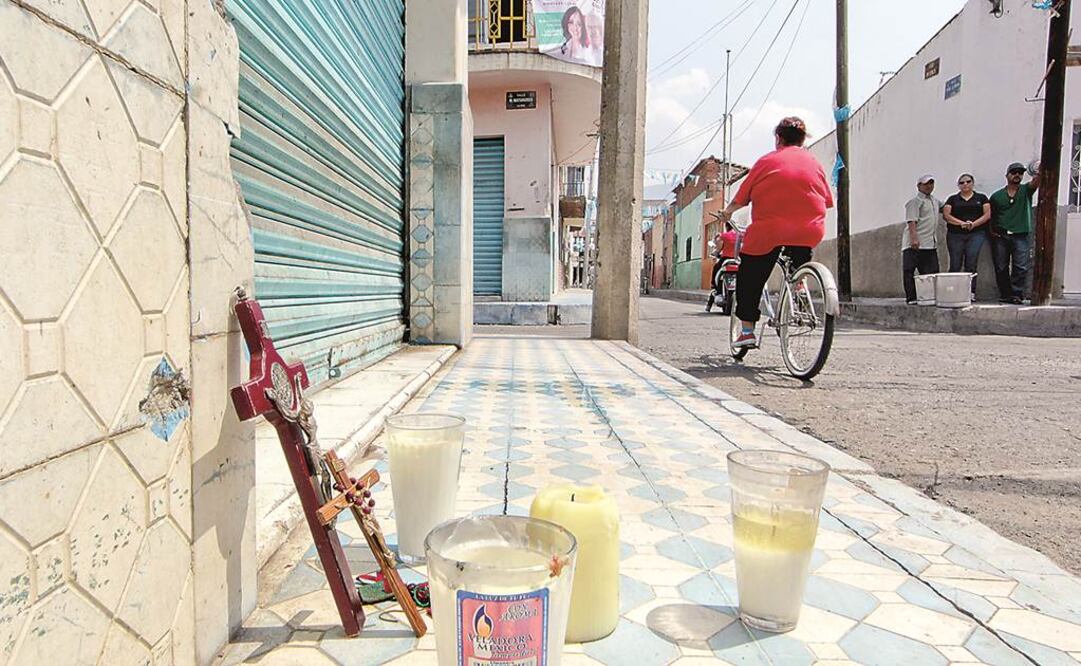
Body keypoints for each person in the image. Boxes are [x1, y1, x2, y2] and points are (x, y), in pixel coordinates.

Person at [715, 117, 833, 349]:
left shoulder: (767, 161)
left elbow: (742, 197)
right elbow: (827, 201)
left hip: (769, 231)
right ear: (802, 140)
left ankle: (747, 331)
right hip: (808, 231)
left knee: (750, 275)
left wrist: (727, 213)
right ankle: (798, 287)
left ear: (778, 138)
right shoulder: (814, 162)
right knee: (797, 260)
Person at [989, 162, 1039, 304]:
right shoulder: (997, 196)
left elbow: (1036, 183)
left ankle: (1017, 294)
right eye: (1014, 172)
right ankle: (1005, 294)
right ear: (1007, 175)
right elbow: (991, 216)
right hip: (1002, 235)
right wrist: (992, 232)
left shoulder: (1026, 191)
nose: (1017, 175)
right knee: (1001, 266)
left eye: (1020, 172)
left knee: (1021, 266)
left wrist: (1038, 170)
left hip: (1021, 234)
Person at [943, 173, 991, 296]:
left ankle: (970, 292)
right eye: (962, 182)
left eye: (968, 181)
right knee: (955, 263)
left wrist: (974, 224)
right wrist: (961, 223)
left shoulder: (982, 197)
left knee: (971, 262)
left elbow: (987, 214)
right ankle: (953, 292)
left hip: (976, 234)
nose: (965, 184)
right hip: (955, 234)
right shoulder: (952, 199)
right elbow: (946, 215)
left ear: (973, 183)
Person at [902, 174, 943, 304]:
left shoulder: (935, 201)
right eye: (925, 184)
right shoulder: (914, 202)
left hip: (930, 243)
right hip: (915, 243)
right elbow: (912, 221)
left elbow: (946, 208)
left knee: (931, 272)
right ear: (919, 186)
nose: (929, 186)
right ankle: (911, 297)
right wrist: (914, 238)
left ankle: (928, 296)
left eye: (931, 183)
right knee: (909, 270)